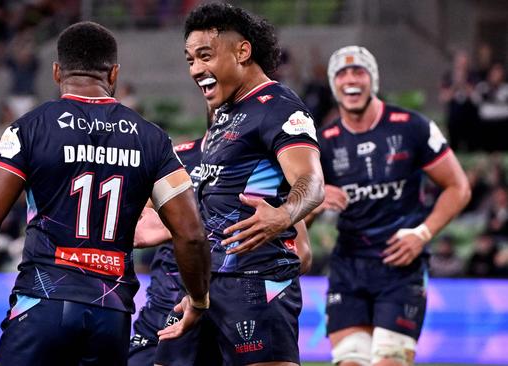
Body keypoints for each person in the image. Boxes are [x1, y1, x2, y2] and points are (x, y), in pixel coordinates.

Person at [0, 22, 211, 366]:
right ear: (113, 74)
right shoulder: (153, 140)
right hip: (110, 314)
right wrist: (199, 299)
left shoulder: (29, 130)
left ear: (56, 72)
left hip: (41, 303)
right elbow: (190, 234)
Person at [155, 4, 324, 366]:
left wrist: (283, 215)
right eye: (190, 60)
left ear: (242, 51)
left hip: (258, 284)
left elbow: (312, 182)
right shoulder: (226, 114)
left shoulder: (277, 106)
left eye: (205, 56)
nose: (196, 69)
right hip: (212, 288)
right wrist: (199, 294)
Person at [309, 45, 471, 366]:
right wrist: (314, 199)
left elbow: (459, 188)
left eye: (359, 72)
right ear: (333, 84)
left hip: (400, 269)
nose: (350, 80)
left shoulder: (412, 127)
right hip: (348, 270)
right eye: (342, 73)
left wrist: (422, 233)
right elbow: (295, 216)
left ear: (373, 80)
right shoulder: (321, 142)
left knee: (389, 362)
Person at [129, 133, 313, 366]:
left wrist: (195, 233)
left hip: (233, 310)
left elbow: (302, 255)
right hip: (166, 311)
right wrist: (174, 228)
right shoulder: (175, 157)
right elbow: (138, 227)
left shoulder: (263, 169)